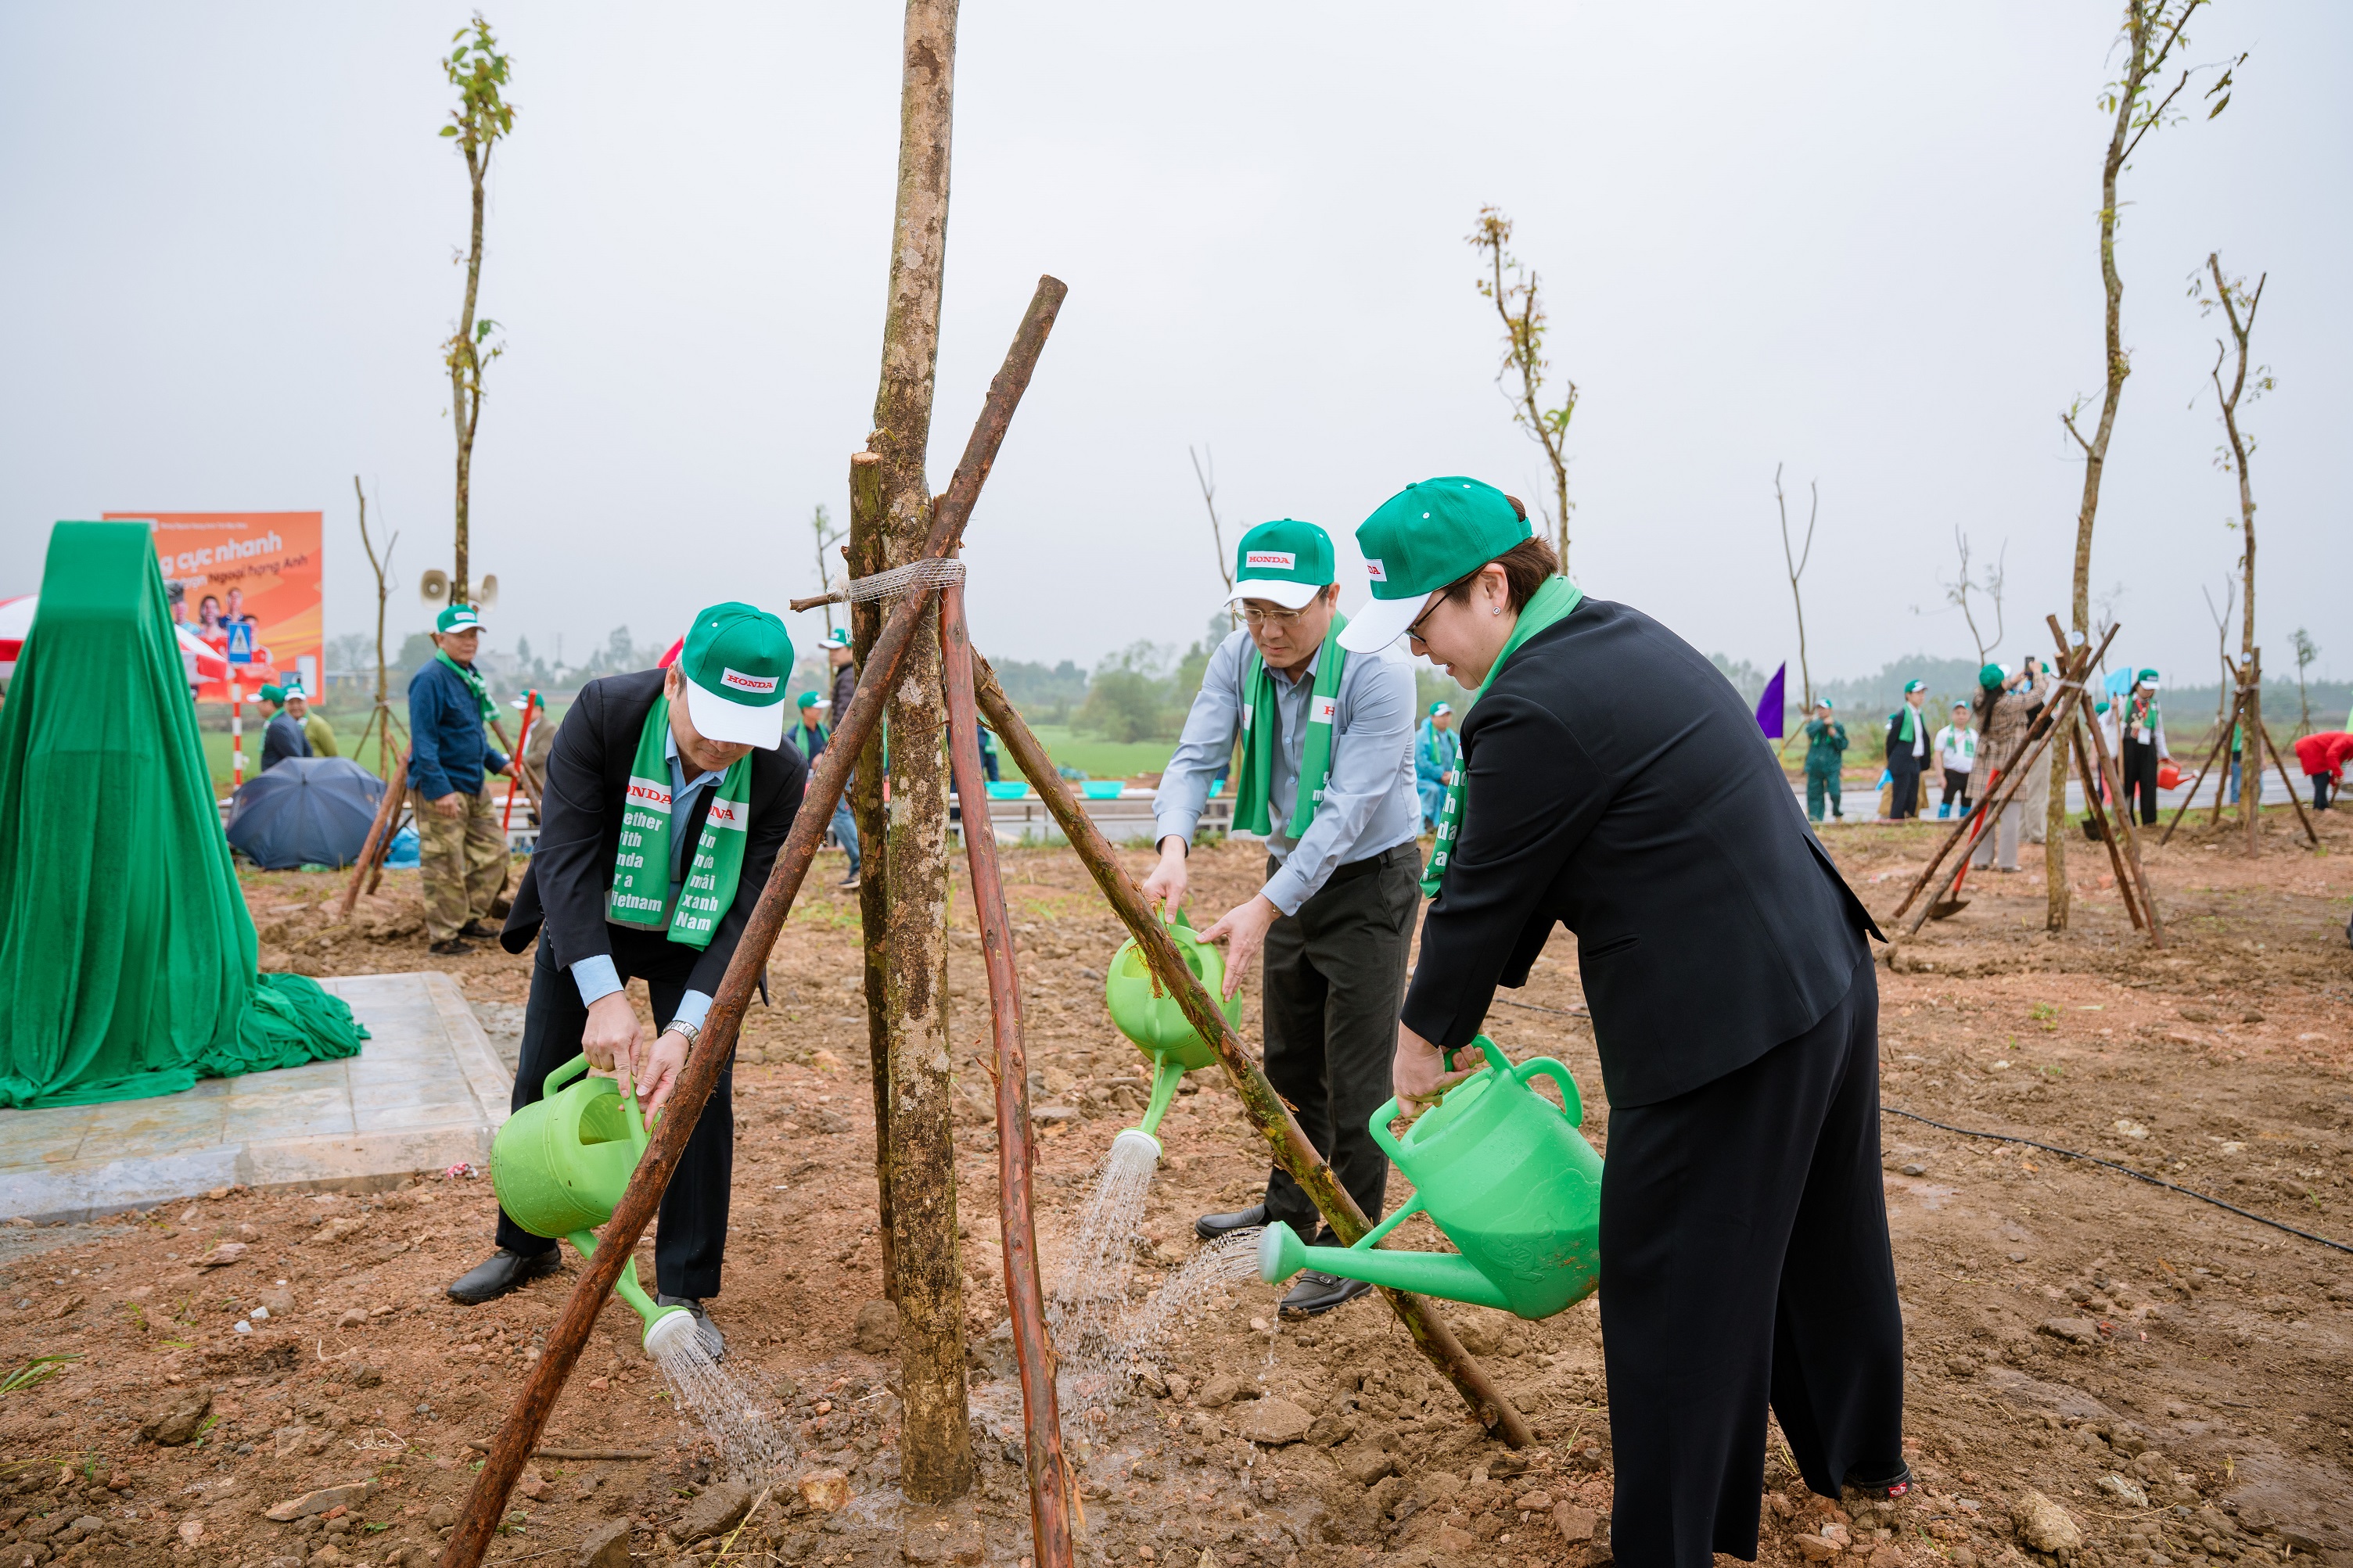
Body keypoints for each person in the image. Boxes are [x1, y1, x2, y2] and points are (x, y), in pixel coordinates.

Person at [1349, 476, 1902, 1568]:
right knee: (1822, 1234)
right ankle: (1861, 1454)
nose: (1420, 652)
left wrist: (1421, 1042)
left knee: (1673, 1276)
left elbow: (1483, 892)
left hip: (1726, 1021)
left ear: (1493, 585)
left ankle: (1671, 1544)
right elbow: (1540, 868)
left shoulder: (1529, 703)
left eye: (1424, 622)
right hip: (1818, 966)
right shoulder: (1611, 636)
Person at [449, 603, 806, 1351]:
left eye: (744, 729)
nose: (723, 744)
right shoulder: (606, 712)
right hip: (595, 918)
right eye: (711, 720)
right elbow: (565, 856)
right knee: (543, 1068)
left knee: (700, 1093)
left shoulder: (779, 772)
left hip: (698, 935)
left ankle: (685, 1285)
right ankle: (527, 1240)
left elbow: (749, 910)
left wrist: (684, 1029)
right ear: (674, 679)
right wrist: (603, 994)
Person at [1146, 517, 1420, 1316]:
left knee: (1356, 1066)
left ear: (1332, 597)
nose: (1267, 630)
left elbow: (1344, 812)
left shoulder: (1377, 669)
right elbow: (1196, 756)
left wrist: (1265, 907)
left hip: (1370, 879)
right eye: (1254, 611)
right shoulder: (1239, 660)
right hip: (1286, 873)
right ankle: (1288, 1205)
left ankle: (1350, 1241)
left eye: (1286, 612)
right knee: (1290, 1054)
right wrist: (1171, 847)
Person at [408, 603, 513, 956]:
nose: (469, 642)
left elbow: (471, 735)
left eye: (473, 635)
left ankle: (468, 916)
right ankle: (443, 936)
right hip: (443, 787)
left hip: (473, 783)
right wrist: (440, 791)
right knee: (444, 863)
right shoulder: (430, 679)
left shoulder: (469, 676)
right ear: (440, 638)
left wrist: (499, 764)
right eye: (460, 635)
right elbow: (424, 741)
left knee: (495, 854)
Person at [1967, 664, 2042, 870]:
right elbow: (2036, 696)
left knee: (1983, 815)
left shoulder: (1979, 700)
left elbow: (1987, 690)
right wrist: (2037, 673)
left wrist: (2012, 681)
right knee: (2010, 816)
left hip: (1985, 763)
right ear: (2001, 684)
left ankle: (1981, 860)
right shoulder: (2009, 703)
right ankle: (2007, 863)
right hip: (2009, 762)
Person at [823, 628, 863, 891]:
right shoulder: (848, 674)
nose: (832, 655)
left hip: (845, 753)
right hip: (851, 752)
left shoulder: (848, 677)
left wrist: (834, 751)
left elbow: (844, 719)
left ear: (851, 650)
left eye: (837, 649)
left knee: (838, 810)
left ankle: (860, 865)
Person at [2115, 669, 2171, 827]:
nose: (2148, 691)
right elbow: (2112, 723)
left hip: (2148, 749)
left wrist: (2163, 753)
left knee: (2149, 784)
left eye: (2152, 688)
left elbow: (2159, 731)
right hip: (2128, 748)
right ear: (2138, 685)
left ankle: (2149, 823)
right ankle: (2127, 822)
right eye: (2146, 687)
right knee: (2127, 785)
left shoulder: (2154, 705)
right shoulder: (2124, 701)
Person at [1884, 679, 1929, 820]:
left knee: (1912, 796)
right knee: (1900, 796)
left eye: (1923, 693)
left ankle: (1908, 822)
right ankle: (1896, 823)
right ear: (1908, 695)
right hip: (1902, 762)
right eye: (1918, 693)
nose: (1921, 696)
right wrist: (1894, 760)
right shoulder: (1902, 715)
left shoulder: (1919, 714)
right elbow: (1891, 741)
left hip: (1915, 761)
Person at [1415, 701, 1459, 831]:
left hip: (1447, 779)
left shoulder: (1452, 737)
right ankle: (1427, 824)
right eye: (1442, 716)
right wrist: (1441, 774)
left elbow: (1459, 758)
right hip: (1424, 779)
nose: (1446, 719)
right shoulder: (1422, 736)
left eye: (1448, 715)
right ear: (1432, 717)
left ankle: (1445, 827)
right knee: (1433, 790)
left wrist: (1452, 775)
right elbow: (1422, 762)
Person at [1802, 699, 1847, 823]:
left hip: (1832, 766)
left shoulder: (1837, 726)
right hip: (1815, 766)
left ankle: (1837, 813)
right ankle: (1815, 820)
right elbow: (1809, 731)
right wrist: (1823, 724)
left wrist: (1835, 735)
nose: (1821, 711)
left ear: (1830, 710)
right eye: (1819, 708)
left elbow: (1843, 745)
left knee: (1835, 793)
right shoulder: (1815, 725)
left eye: (1823, 708)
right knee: (1814, 794)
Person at [1933, 703, 1976, 819]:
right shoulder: (1944, 733)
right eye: (1958, 713)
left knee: (1967, 803)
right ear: (1953, 715)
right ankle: (1942, 823)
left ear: (1968, 715)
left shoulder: (1973, 735)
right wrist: (1940, 776)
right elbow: (1937, 755)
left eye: (1964, 713)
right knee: (1947, 801)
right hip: (1951, 773)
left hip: (1968, 773)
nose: (1961, 716)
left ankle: (1964, 824)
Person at [2292, 731, 2353, 812]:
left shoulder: (2349, 747)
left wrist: (2334, 781)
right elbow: (2332, 754)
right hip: (2310, 747)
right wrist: (2339, 774)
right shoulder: (2348, 740)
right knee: (2321, 776)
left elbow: (2337, 763)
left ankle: (2319, 807)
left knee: (2322, 777)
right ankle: (2322, 807)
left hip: (2314, 748)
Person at [258, 682, 311, 772]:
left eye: (260, 702)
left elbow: (295, 758)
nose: (257, 706)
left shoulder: (277, 726)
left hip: (279, 781)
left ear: (269, 703)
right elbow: (308, 750)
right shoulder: (290, 720)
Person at [289, 685, 338, 758]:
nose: (295, 706)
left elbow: (333, 754)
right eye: (291, 703)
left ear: (306, 702)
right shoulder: (285, 725)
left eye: (299, 702)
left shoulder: (319, 725)